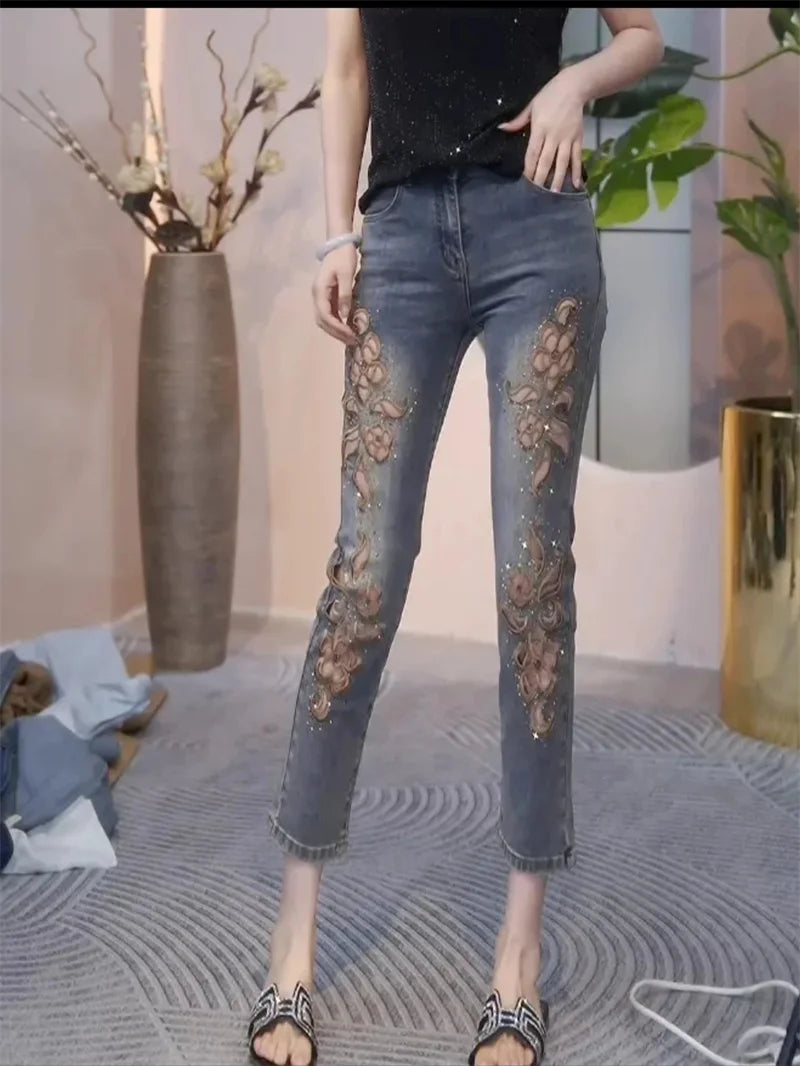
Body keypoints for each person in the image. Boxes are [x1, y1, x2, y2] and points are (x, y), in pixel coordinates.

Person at [248, 8, 664, 1065]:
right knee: (364, 576)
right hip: (396, 235)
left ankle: (516, 959)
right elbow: (348, 63)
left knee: (533, 581)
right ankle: (292, 941)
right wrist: (336, 233)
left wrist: (575, 84)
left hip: (538, 228)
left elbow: (643, 36)